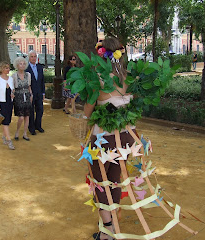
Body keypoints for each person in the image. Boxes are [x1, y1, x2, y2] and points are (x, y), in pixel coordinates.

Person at [84, 37, 137, 240]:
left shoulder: (98, 79)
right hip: (125, 138)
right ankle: (113, 227)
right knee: (115, 180)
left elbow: (88, 112)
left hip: (103, 141)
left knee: (100, 182)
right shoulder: (130, 78)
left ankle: (107, 233)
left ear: (101, 55)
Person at [0, 61, 15, 150]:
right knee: (5, 122)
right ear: (1, 69)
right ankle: (9, 140)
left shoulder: (10, 79)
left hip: (9, 102)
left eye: (8, 68)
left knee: (7, 121)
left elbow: (13, 90)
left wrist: (13, 93)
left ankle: (4, 136)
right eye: (6, 68)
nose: (8, 69)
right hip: (2, 102)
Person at [12, 57, 33, 141]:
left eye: (24, 63)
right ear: (17, 65)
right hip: (18, 97)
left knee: (27, 116)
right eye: (20, 63)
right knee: (21, 117)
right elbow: (12, 88)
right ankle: (17, 132)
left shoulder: (28, 75)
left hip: (27, 96)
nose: (22, 65)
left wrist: (31, 95)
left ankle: (25, 133)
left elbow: (29, 86)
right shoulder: (14, 76)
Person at [25, 50, 45, 135]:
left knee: (40, 110)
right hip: (30, 94)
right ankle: (31, 128)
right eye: (31, 57)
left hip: (39, 93)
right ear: (29, 58)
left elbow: (42, 81)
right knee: (31, 111)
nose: (33, 58)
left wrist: (43, 93)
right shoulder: (26, 68)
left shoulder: (40, 67)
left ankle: (38, 126)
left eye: (34, 56)